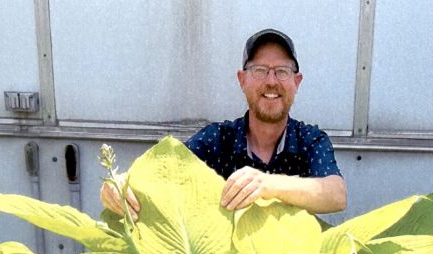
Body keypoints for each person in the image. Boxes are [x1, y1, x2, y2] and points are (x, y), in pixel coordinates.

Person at [101, 29, 347, 220]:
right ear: (242, 80)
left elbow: (336, 195)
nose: (271, 81)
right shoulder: (217, 140)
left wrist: (266, 183)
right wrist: (119, 184)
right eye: (260, 70)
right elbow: (165, 171)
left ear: (297, 82)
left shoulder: (310, 140)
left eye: (282, 71)